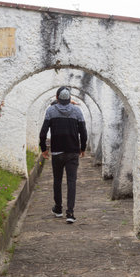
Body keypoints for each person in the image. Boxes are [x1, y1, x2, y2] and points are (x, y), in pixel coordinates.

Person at [39, 86, 87, 223]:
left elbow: (43, 133)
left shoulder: (51, 111)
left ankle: (58, 209)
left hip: (57, 152)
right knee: (72, 181)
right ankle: (70, 213)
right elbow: (83, 132)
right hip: (72, 151)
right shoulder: (77, 111)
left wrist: (44, 149)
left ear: (56, 97)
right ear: (70, 98)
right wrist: (82, 148)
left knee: (57, 180)